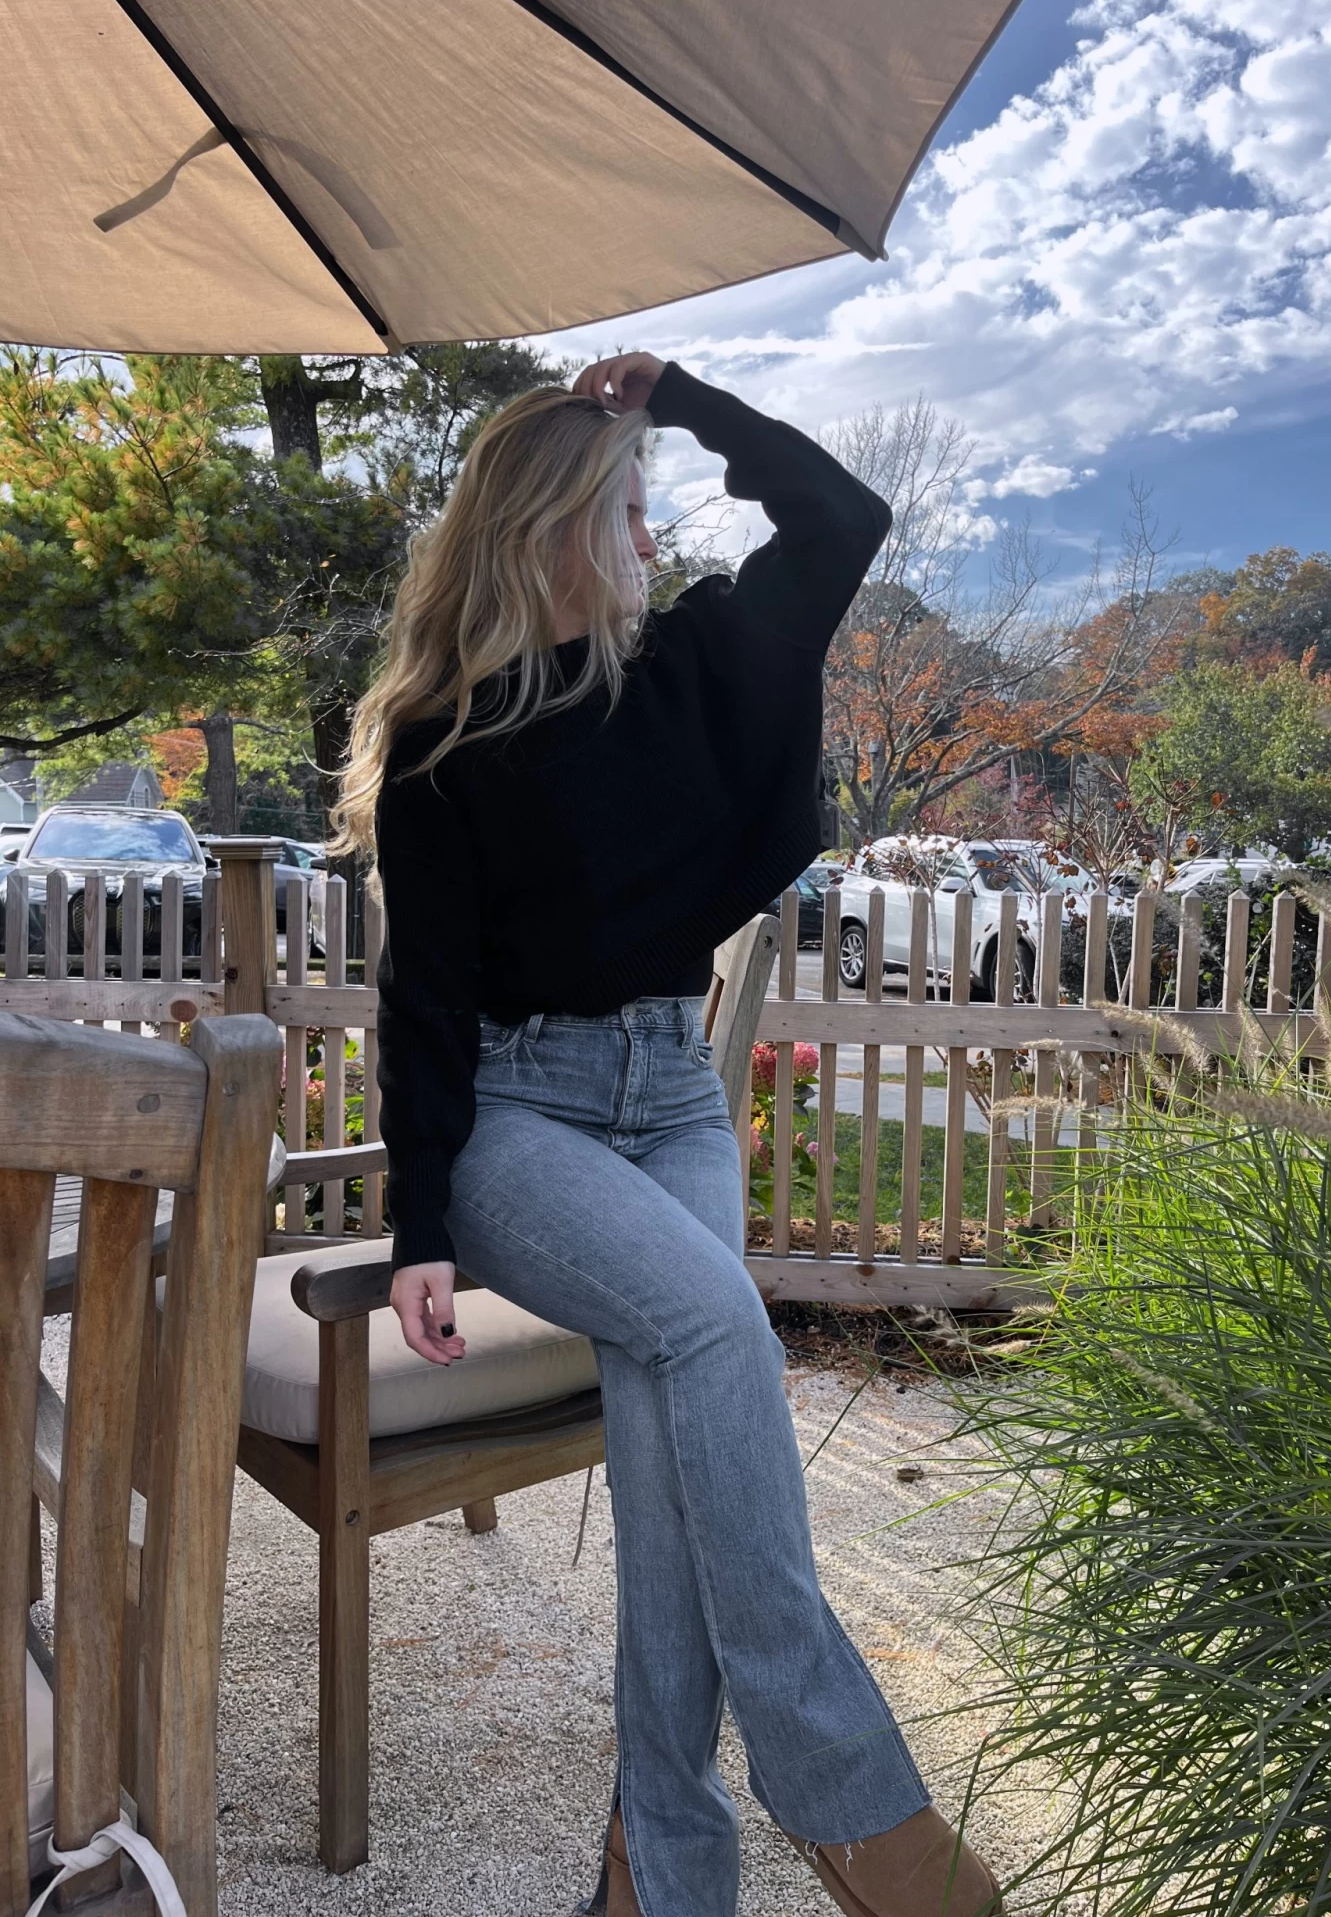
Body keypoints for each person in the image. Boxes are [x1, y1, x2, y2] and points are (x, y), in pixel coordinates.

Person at [331, 352, 1000, 1917]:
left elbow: (840, 517)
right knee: (712, 1328)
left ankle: (657, 1872)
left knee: (662, 1439)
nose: (651, 538)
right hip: (516, 1121)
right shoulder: (441, 743)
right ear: (552, 526)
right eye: (626, 510)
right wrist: (420, 1221)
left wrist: (682, 398)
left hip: (673, 1097)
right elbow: (421, 1002)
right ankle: (847, 1799)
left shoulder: (696, 664)